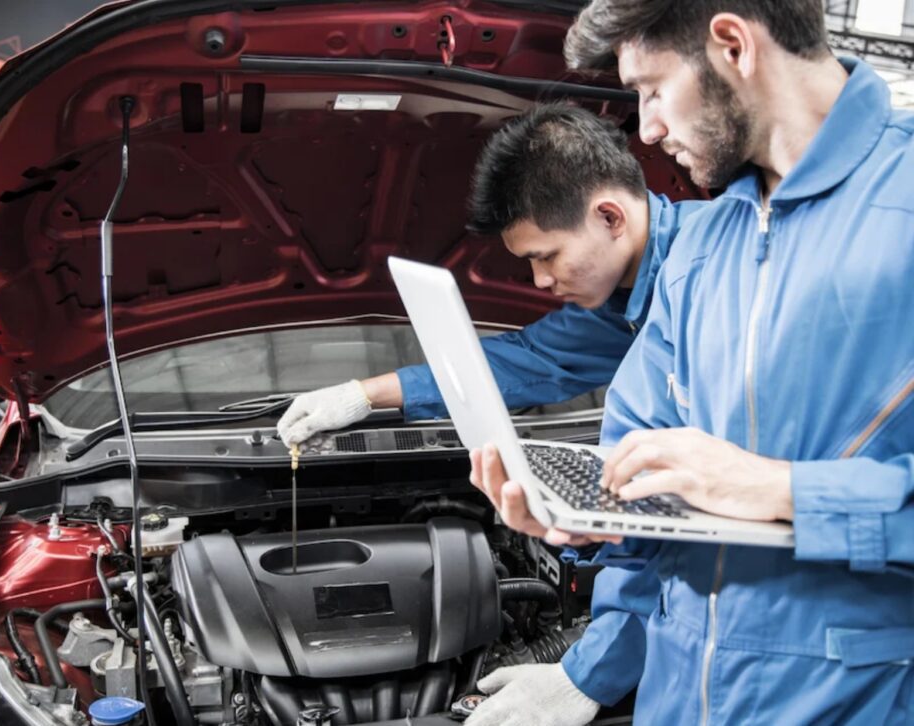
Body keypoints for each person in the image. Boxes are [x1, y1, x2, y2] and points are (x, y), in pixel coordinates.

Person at [469, 1, 914, 724]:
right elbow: (646, 514)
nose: (645, 128)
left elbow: (756, 490)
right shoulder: (700, 251)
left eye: (651, 89)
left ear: (733, 45)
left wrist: (784, 491)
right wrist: (590, 519)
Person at [278, 103, 706, 724]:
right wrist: (361, 395)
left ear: (610, 216)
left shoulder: (706, 285)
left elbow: (682, 532)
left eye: (546, 255)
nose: (536, 281)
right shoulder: (623, 297)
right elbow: (526, 360)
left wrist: (588, 676)